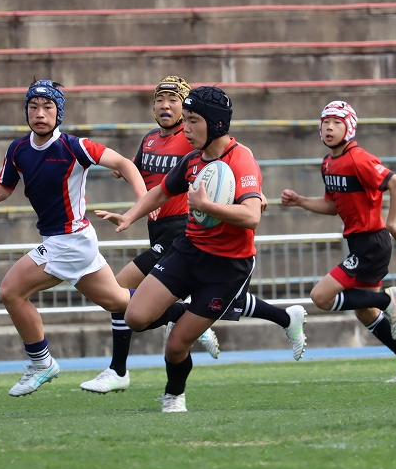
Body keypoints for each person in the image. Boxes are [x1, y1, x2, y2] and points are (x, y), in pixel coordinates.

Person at [81, 77, 307, 395]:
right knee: (135, 316)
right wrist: (130, 215)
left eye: (192, 121)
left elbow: (252, 216)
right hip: (188, 250)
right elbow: (162, 190)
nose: (185, 128)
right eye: (184, 120)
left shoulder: (240, 158)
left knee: (175, 345)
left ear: (215, 124)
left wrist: (209, 205)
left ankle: (171, 394)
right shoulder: (191, 158)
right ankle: (192, 316)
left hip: (226, 264)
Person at [0, 79, 152, 398]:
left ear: (59, 113)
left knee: (11, 291)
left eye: (48, 107)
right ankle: (178, 311)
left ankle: (41, 363)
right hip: (71, 241)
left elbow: (123, 163)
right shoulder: (17, 150)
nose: (39, 113)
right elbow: (5, 186)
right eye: (33, 107)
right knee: (118, 301)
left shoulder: (74, 146)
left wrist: (142, 201)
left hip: (69, 241)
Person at [282, 101, 396, 382]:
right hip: (361, 243)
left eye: (337, 122)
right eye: (325, 122)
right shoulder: (329, 163)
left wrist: (392, 224)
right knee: (365, 311)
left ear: (349, 128)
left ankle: (388, 299)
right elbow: (331, 205)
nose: (329, 127)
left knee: (320, 297)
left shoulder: (358, 158)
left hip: (371, 243)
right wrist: (301, 201)